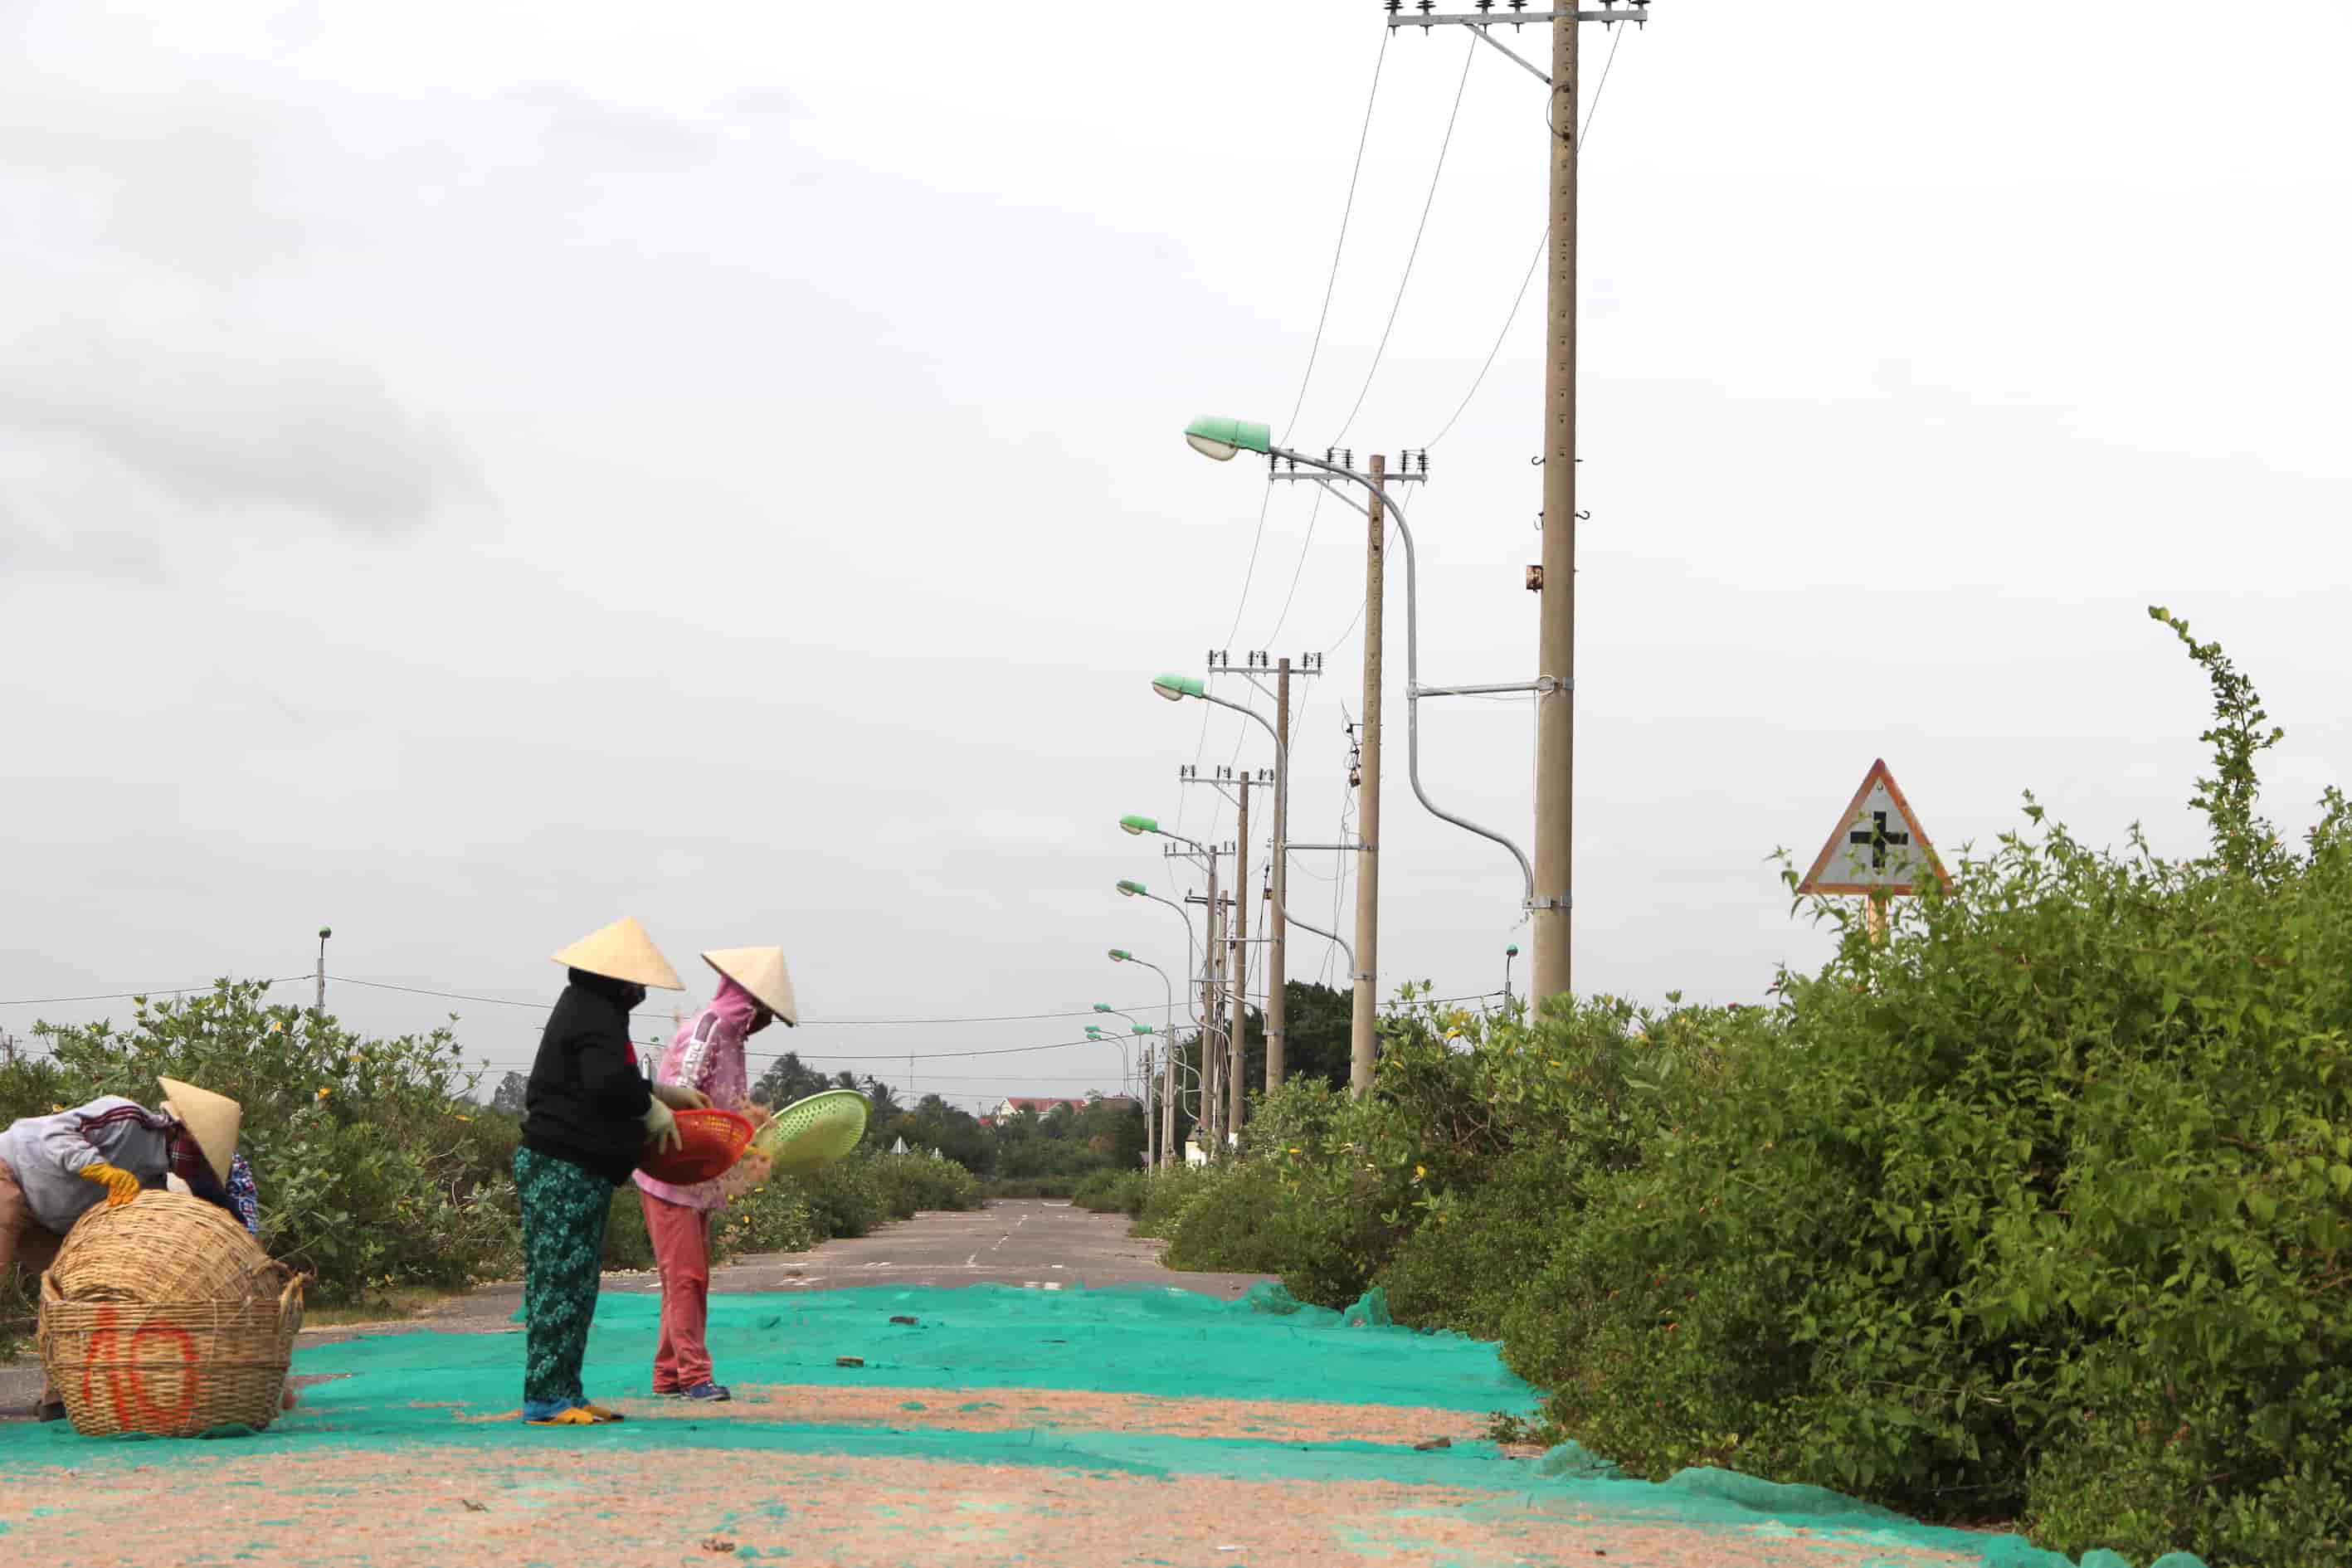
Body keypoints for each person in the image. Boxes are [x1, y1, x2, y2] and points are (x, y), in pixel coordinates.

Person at [515, 916, 704, 1427]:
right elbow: (603, 1085)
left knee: (576, 1284)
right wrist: (651, 1110)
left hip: (579, 1167)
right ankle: (547, 1398)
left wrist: (661, 1093)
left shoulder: (592, 1009)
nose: (640, 991)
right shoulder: (594, 1010)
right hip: (562, 1166)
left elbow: (610, 1074)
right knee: (559, 1282)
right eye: (637, 982)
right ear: (618, 977)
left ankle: (566, 1391)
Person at [0, 1077, 247, 1420]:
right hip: (9, 1172)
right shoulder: (126, 1117)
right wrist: (101, 1170)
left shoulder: (154, 1184)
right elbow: (55, 1134)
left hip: (47, 1219)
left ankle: (60, 1395)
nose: (197, 1166)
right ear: (180, 1131)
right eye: (200, 1155)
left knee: (73, 1293)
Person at [633, 946, 797, 1402]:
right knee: (687, 1277)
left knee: (685, 1275)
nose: (766, 1023)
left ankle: (668, 1374)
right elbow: (681, 1098)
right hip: (673, 1169)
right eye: (766, 1013)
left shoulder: (732, 1039)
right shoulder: (708, 1030)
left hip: (697, 1175)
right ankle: (694, 1376)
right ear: (750, 1001)